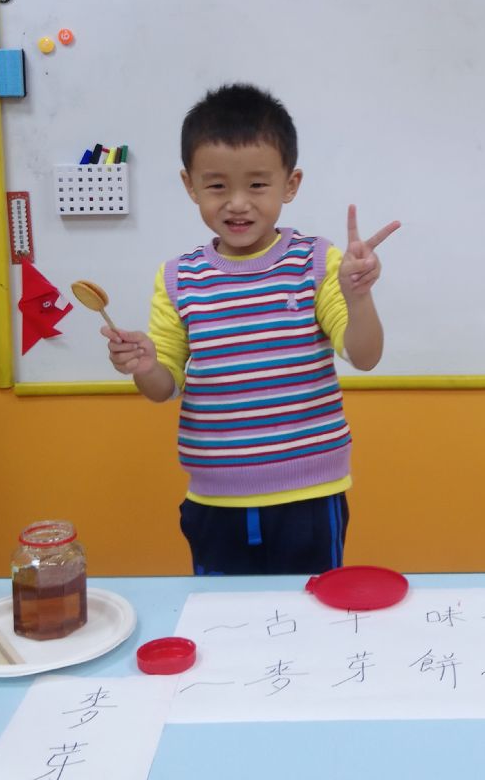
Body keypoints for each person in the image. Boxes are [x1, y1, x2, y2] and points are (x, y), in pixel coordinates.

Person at [103, 83, 398, 575]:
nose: (237, 203)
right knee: (221, 617)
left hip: (310, 495)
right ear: (190, 186)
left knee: (309, 615)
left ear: (290, 184)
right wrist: (145, 365)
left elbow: (364, 356)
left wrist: (358, 295)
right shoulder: (178, 278)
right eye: (217, 186)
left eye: (257, 185)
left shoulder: (315, 262)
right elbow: (163, 388)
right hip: (214, 501)